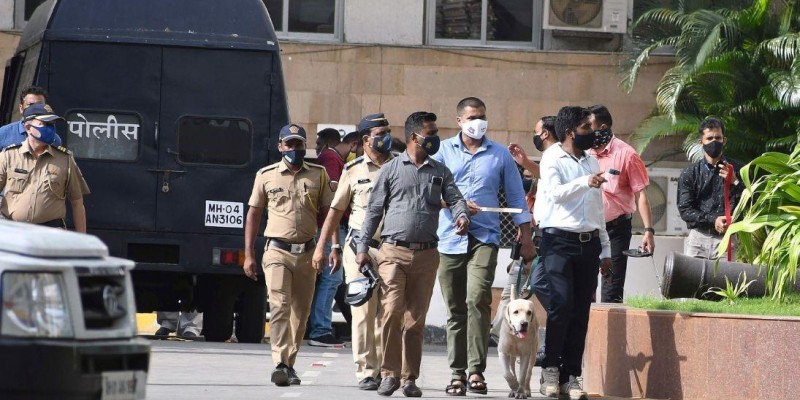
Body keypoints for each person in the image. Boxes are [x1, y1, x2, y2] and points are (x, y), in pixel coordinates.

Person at [355, 111, 469, 397]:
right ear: (414, 137)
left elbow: (456, 199)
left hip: (427, 255)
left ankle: (409, 379)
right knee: (391, 312)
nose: (435, 139)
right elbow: (373, 211)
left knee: (415, 320)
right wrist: (361, 248)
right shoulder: (391, 170)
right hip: (393, 252)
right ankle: (389, 374)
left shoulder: (439, 171)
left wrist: (462, 215)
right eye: (430, 133)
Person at [433, 97, 535, 396]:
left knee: (477, 300)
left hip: (485, 238)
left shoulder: (499, 155)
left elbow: (516, 198)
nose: (479, 122)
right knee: (455, 308)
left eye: (483, 116)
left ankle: (476, 371)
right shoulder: (442, 151)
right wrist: (457, 205)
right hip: (450, 238)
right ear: (459, 121)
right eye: (473, 117)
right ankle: (457, 373)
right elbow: (429, 193)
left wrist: (526, 237)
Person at [242, 123, 334, 387]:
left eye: (299, 144)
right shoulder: (266, 175)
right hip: (277, 252)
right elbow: (254, 214)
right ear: (280, 146)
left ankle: (290, 364)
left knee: (300, 313)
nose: (294, 149)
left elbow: (329, 213)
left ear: (306, 146)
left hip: (307, 253)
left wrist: (328, 247)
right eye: (289, 144)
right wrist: (248, 254)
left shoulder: (319, 174)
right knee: (280, 306)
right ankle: (280, 363)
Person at [313, 113, 394, 390]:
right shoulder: (353, 170)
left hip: (392, 249)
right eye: (380, 132)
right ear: (365, 140)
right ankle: (366, 372)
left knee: (388, 312)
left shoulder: (400, 167)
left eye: (388, 131)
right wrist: (327, 247)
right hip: (359, 249)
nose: (385, 137)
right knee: (361, 311)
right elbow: (334, 211)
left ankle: (385, 369)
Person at [535, 106, 611, 400]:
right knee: (562, 304)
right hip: (558, 242)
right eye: (586, 128)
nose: (592, 133)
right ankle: (550, 369)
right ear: (570, 133)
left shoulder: (591, 162)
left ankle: (571, 376)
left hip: (588, 243)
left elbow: (597, 210)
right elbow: (554, 193)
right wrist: (584, 182)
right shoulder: (552, 157)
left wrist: (605, 249)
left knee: (581, 311)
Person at [492, 115, 559, 365]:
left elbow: (545, 179)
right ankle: (501, 334)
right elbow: (528, 190)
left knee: (536, 290)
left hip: (543, 242)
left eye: (536, 130)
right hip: (528, 240)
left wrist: (524, 162)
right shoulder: (532, 179)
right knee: (513, 292)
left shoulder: (557, 160)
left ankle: (543, 343)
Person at [587, 105, 655, 303]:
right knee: (585, 288)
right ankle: (587, 334)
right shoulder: (584, 154)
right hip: (588, 229)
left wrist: (648, 230)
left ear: (603, 127)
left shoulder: (627, 154)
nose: (585, 130)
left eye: (589, 126)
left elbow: (641, 194)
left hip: (616, 230)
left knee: (611, 290)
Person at [308, 128, 361, 347]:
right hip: (330, 228)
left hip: (331, 228)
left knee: (329, 279)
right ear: (354, 145)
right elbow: (334, 200)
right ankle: (320, 330)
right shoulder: (331, 159)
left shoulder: (332, 159)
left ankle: (318, 327)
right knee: (332, 278)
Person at [0, 103, 89, 231]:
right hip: (14, 232)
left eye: (52, 124)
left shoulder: (65, 159)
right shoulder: (9, 156)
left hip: (50, 234)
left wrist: (82, 241)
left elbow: (77, 203)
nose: (50, 129)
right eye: (45, 124)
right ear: (28, 128)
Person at [678, 117, 744, 259]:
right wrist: (713, 220)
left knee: (726, 281)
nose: (714, 142)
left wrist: (735, 182)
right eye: (709, 138)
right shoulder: (690, 173)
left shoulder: (738, 169)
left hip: (728, 240)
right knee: (691, 280)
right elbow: (685, 210)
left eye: (718, 138)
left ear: (724, 140)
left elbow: (752, 200)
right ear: (701, 142)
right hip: (697, 240)